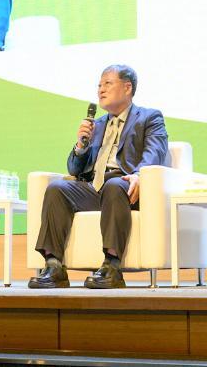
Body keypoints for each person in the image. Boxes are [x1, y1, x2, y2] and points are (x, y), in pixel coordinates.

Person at [29, 65, 168, 289]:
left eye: (107, 84)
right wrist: (81, 145)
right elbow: (74, 169)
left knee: (113, 185)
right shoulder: (98, 124)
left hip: (125, 186)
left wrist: (138, 174)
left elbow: (155, 152)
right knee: (57, 189)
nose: (100, 90)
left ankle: (111, 267)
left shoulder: (149, 118)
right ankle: (54, 267)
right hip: (95, 187)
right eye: (99, 85)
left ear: (127, 87)